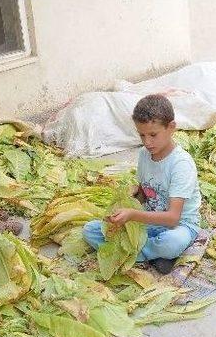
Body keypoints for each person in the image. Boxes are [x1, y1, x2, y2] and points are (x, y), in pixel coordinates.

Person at [83, 94, 202, 275]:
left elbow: (173, 218)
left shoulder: (181, 164)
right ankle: (153, 256)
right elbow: (144, 193)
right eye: (142, 135)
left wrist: (132, 215)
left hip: (180, 225)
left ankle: (134, 252)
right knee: (90, 230)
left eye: (153, 135)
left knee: (171, 243)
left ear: (171, 128)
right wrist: (130, 199)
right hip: (150, 219)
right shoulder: (144, 155)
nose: (147, 142)